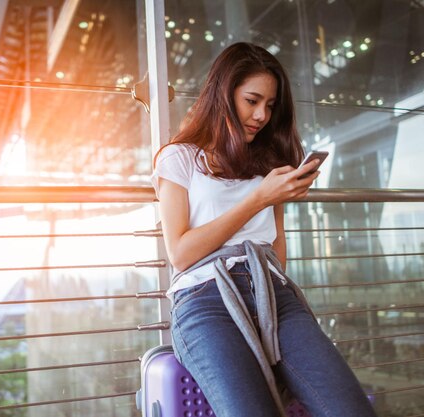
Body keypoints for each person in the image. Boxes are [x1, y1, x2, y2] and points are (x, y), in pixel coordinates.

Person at [151, 42, 377, 417]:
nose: (261, 115)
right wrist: (258, 198)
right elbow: (181, 253)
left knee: (350, 409)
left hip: (275, 295)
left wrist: (271, 198)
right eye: (251, 100)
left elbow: (276, 243)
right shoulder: (179, 158)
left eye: (270, 106)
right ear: (223, 95)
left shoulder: (267, 163)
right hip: (205, 300)